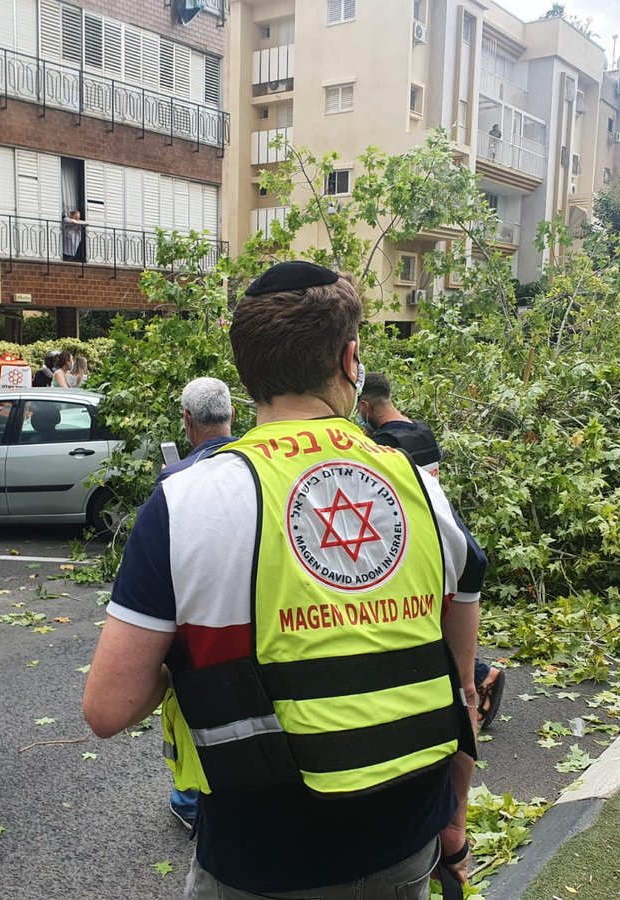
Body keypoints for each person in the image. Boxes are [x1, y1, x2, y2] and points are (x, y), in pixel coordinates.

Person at [84, 261, 482, 899]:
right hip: (406, 836)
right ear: (352, 359)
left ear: (247, 375)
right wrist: (454, 826)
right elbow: (462, 681)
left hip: (261, 853)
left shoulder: (186, 502)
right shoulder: (421, 490)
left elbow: (107, 709)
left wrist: (192, 656)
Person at [359, 372, 505, 730]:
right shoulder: (421, 431)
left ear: (365, 406)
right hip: (445, 538)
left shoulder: (386, 447)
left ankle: (480, 677)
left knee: (427, 629)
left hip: (416, 544)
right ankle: (478, 677)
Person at [150, 377, 237, 828]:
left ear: (187, 421)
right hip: (253, 622)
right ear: (233, 415)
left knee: (191, 717)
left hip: (196, 629)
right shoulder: (259, 472)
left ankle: (189, 798)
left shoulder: (175, 484)